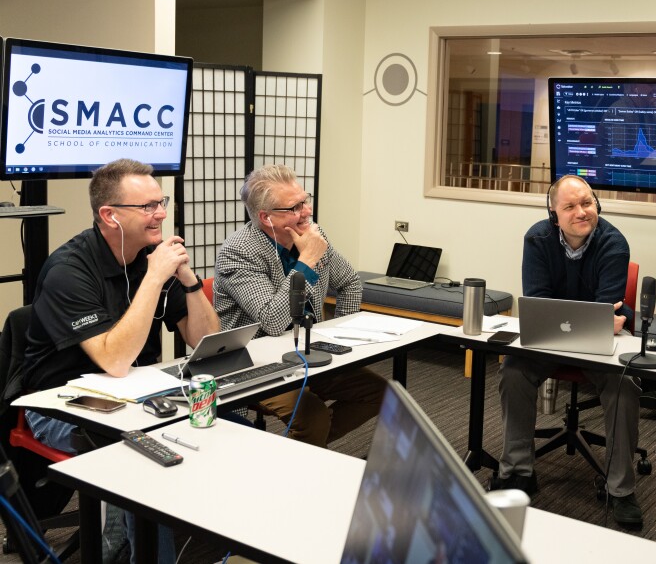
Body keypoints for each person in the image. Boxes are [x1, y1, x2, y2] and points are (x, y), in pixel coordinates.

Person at [20, 158, 220, 563]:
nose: (161, 213)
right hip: (58, 403)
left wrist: (188, 280)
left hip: (137, 393)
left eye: (160, 202)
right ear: (109, 215)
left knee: (224, 432)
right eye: (147, 206)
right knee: (146, 462)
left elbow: (205, 342)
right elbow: (113, 359)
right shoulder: (68, 269)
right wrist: (153, 277)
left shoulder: (152, 256)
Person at [491, 174, 644, 526]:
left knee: (624, 383)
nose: (581, 212)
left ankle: (620, 488)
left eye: (587, 203)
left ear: (598, 205)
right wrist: (596, 319)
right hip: (551, 339)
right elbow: (539, 299)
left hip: (599, 346)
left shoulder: (614, 244)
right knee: (513, 371)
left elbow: (610, 308)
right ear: (553, 213)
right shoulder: (537, 238)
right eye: (570, 206)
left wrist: (602, 320)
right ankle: (518, 471)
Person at [214, 164, 385, 447]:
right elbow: (272, 320)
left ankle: (293, 455)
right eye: (294, 207)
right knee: (312, 417)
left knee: (381, 394)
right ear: (266, 217)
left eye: (305, 201)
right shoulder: (240, 251)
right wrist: (306, 262)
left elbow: (350, 282)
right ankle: (299, 462)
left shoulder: (313, 236)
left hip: (307, 351)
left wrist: (338, 338)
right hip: (254, 363)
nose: (306, 212)